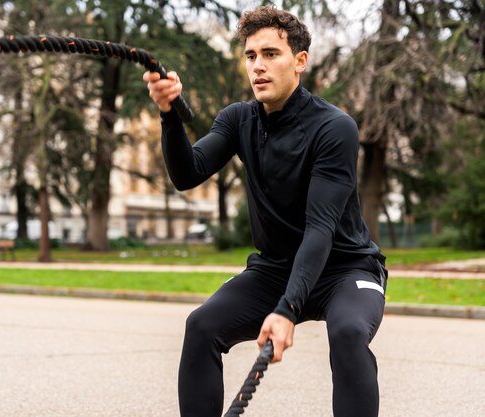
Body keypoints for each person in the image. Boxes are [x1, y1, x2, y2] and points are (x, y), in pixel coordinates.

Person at [143, 6, 388, 417]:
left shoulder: (334, 127)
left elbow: (321, 227)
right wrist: (169, 115)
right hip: (274, 269)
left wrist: (287, 309)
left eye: (271, 54)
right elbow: (188, 174)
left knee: (347, 332)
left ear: (300, 61)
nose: (258, 66)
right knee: (201, 327)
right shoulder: (238, 120)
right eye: (251, 56)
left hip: (344, 269)